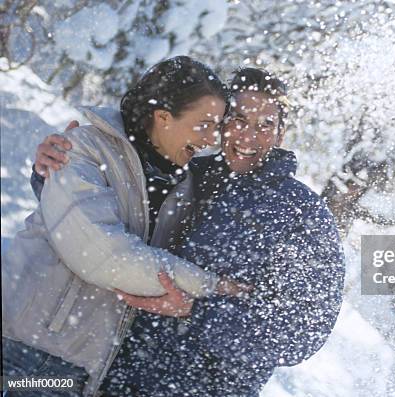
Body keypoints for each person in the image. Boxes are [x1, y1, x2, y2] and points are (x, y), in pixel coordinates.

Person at [30, 68, 346, 396]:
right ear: (221, 123)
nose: (248, 137)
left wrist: (197, 311)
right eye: (238, 119)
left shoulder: (303, 214)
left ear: (281, 134)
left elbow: (304, 332)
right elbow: (100, 220)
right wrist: (54, 168)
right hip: (116, 377)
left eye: (265, 125)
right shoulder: (186, 176)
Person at [2, 56, 249, 397]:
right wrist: (211, 287)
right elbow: (106, 256)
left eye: (217, 126)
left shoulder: (184, 188)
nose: (211, 139)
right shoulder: (85, 147)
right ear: (162, 116)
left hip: (85, 368)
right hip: (25, 350)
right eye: (204, 124)